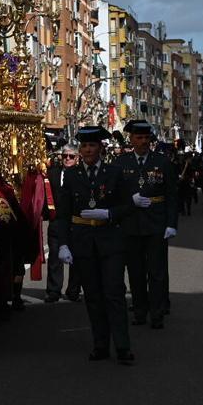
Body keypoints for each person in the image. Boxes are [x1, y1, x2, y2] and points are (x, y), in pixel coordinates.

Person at [54, 125, 135, 364]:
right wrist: (63, 245)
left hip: (110, 240)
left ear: (101, 148)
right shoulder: (70, 175)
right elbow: (63, 213)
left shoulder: (115, 172)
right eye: (84, 146)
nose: (88, 150)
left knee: (114, 293)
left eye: (92, 145)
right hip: (83, 242)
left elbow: (128, 206)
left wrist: (109, 214)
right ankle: (100, 345)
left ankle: (122, 346)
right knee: (93, 296)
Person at [118, 120, 179, 330]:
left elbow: (172, 195)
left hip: (156, 223)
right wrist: (128, 202)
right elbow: (115, 195)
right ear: (131, 140)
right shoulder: (121, 162)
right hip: (131, 224)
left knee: (157, 271)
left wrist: (172, 223)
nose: (143, 142)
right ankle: (140, 310)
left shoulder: (162, 162)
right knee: (135, 271)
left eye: (146, 138)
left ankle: (158, 312)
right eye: (139, 138)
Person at [44, 145, 81, 303]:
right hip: (57, 221)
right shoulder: (52, 173)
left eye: (71, 156)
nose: (67, 159)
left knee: (77, 258)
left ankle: (73, 290)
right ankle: (53, 290)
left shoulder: (82, 174)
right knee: (54, 257)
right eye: (65, 156)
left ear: (77, 158)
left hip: (75, 221)